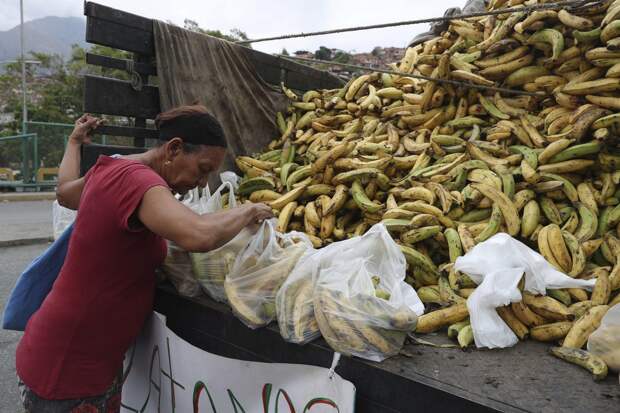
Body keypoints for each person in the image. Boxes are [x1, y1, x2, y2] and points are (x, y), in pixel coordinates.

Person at [15, 105, 273, 412]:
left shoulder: (113, 168)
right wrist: (248, 210)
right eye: (203, 169)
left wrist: (73, 143)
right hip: (69, 371)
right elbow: (198, 235)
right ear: (174, 148)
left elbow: (65, 193)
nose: (203, 183)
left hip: (84, 362)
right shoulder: (136, 181)